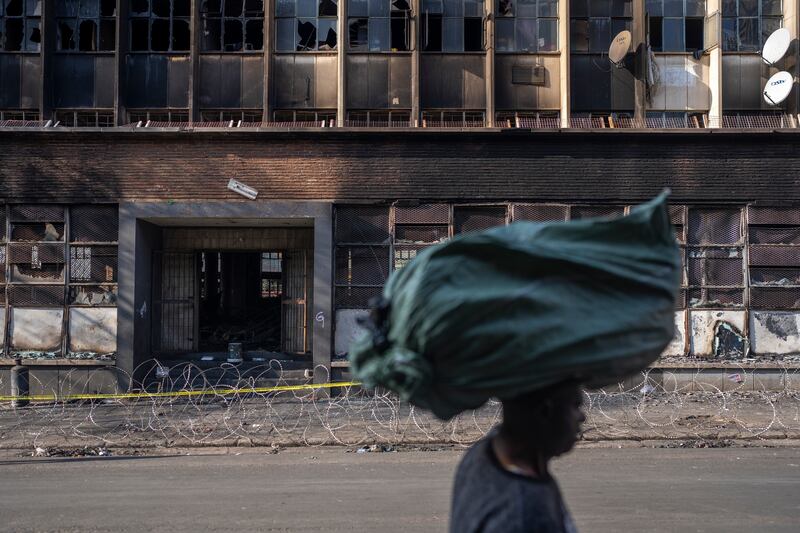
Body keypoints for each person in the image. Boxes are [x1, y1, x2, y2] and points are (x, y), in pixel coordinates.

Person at [450, 382, 585, 533]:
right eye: (575, 406)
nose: (582, 417)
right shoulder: (527, 512)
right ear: (545, 412)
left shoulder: (484, 452)